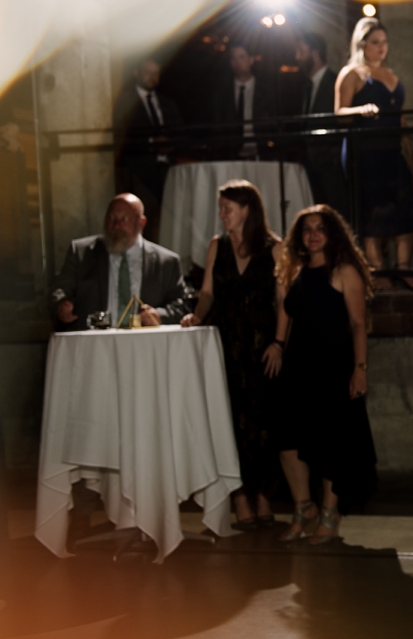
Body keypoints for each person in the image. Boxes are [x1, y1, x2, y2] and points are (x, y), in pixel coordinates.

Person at [180, 181, 282, 529]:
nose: (222, 214)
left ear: (247, 209)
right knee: (230, 420)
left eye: (228, 208)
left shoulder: (274, 248)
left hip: (262, 343)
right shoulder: (217, 246)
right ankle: (240, 498)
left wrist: (280, 343)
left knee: (265, 423)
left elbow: (283, 303)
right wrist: (197, 314)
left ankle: (264, 495)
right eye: (221, 208)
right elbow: (207, 292)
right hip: (226, 343)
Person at [274, 205, 377, 544]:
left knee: (333, 445)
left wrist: (359, 370)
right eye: (307, 229)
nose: (313, 234)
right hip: (298, 369)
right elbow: (286, 318)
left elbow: (359, 325)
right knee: (288, 442)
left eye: (320, 228)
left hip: (333, 368)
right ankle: (305, 507)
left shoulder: (344, 270)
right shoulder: (296, 270)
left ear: (332, 233)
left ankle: (330, 515)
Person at [337, 17, 413, 289]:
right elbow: (339, 112)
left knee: (407, 208)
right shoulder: (351, 73)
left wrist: (409, 150)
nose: (381, 47)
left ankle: (404, 269)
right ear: (362, 43)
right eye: (375, 42)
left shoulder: (392, 75)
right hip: (365, 153)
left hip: (391, 150)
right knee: (373, 214)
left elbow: (400, 119)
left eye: (384, 42)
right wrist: (360, 111)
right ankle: (379, 274)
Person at [51, 193, 187, 331]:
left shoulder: (166, 262)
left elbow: (182, 306)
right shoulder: (81, 252)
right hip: (94, 343)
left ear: (141, 222)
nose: (116, 226)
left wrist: (159, 316)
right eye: (111, 218)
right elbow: (60, 290)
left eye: (124, 219)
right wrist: (61, 305)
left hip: (145, 344)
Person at [113, 58, 183, 240]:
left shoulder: (167, 103)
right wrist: (152, 141)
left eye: (156, 73)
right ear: (137, 73)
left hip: (168, 168)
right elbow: (122, 135)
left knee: (171, 218)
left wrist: (170, 143)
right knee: (143, 217)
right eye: (147, 72)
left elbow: (179, 131)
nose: (152, 77)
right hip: (141, 169)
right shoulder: (125, 103)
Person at [296, 31, 347, 215]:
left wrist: (332, 157)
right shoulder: (308, 87)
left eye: (301, 51)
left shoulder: (335, 83)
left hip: (331, 167)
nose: (297, 57)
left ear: (315, 54)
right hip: (313, 166)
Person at [212, 43, 277, 159]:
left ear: (251, 60)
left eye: (241, 57)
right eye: (233, 58)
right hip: (231, 157)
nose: (237, 63)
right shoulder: (222, 94)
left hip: (261, 155)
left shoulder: (266, 92)